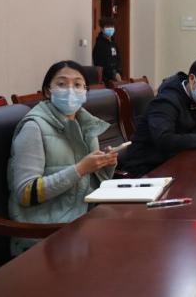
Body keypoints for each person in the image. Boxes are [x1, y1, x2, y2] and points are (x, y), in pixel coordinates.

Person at [7, 60, 118, 255]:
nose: (70, 90)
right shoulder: (33, 128)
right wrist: (81, 168)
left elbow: (89, 182)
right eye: (61, 84)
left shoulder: (86, 123)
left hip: (83, 216)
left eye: (77, 84)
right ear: (47, 91)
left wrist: (105, 164)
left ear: (85, 91)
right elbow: (26, 193)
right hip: (46, 230)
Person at [118, 56, 196, 176]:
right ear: (192, 79)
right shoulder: (167, 101)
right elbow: (163, 139)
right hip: (148, 171)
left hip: (180, 164)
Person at [92, 16, 122, 82]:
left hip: (116, 76)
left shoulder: (113, 43)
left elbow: (118, 58)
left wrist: (118, 72)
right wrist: (113, 74)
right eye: (108, 27)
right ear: (102, 29)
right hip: (105, 79)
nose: (110, 29)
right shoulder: (99, 44)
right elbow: (100, 64)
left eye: (112, 26)